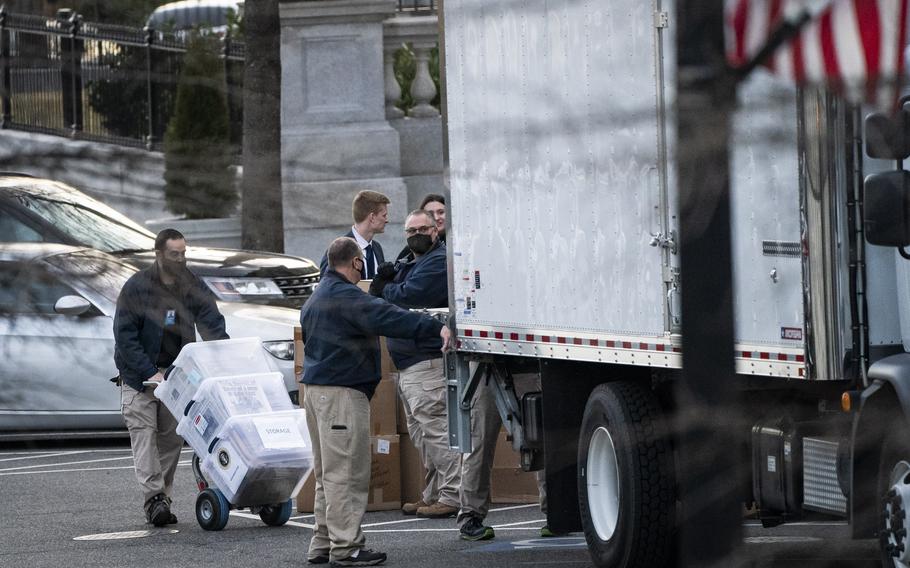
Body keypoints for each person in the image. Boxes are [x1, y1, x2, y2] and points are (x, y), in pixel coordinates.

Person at [301, 237, 451, 567]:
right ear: (356, 263)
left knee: (328, 474)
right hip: (341, 395)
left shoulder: (318, 296)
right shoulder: (346, 296)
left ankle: (323, 542)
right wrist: (434, 328)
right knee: (347, 474)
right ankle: (347, 548)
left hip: (314, 393)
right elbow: (386, 316)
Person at [113, 228, 229, 526]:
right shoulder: (137, 288)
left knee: (170, 441)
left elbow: (211, 322)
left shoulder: (190, 284)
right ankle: (153, 499)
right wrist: (148, 372)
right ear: (159, 254)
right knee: (144, 436)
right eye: (174, 254)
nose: (180, 259)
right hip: (140, 376)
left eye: (183, 253)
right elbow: (125, 337)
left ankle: (161, 499)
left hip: (176, 375)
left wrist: (224, 356)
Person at [369, 210, 461, 519]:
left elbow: (409, 295)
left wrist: (385, 288)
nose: (416, 235)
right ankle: (432, 494)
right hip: (409, 364)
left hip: (427, 362)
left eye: (423, 228)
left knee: (435, 431)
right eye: (410, 231)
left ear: (436, 230)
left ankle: (453, 494)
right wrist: (388, 285)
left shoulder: (437, 261)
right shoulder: (411, 261)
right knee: (422, 437)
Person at [319, 190, 390, 277]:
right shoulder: (339, 250)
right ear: (372, 217)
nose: (387, 220)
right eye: (384, 215)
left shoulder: (376, 248)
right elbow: (327, 285)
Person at [395, 194, 447, 263]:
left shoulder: (458, 244)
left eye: (441, 212)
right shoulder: (411, 249)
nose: (436, 218)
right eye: (430, 214)